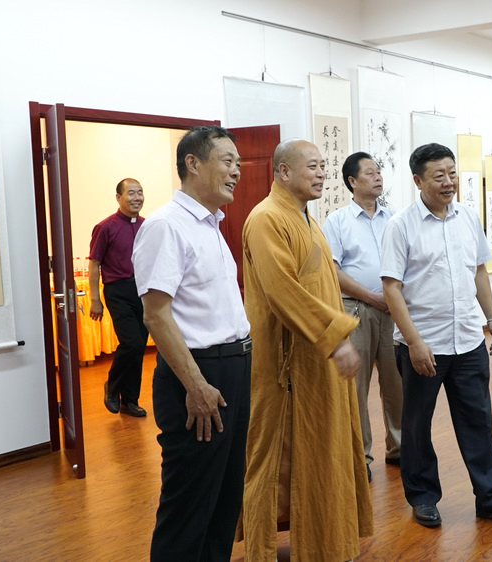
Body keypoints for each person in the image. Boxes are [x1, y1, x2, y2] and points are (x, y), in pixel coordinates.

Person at [381, 142, 492, 528]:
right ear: (418, 180)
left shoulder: (467, 216)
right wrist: (413, 341)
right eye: (438, 176)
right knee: (416, 426)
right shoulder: (401, 226)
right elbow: (392, 288)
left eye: (452, 173)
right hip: (424, 343)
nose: (449, 182)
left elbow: (479, 271)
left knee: (478, 421)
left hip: (467, 339)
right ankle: (423, 497)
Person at [241, 139, 373, 562]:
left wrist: (337, 341)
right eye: (312, 166)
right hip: (289, 362)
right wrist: (334, 338)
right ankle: (265, 550)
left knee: (323, 449)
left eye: (323, 167)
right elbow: (283, 291)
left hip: (320, 357)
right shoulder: (266, 219)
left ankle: (325, 541)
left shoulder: (306, 219)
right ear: (282, 172)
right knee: (276, 455)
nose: (321, 173)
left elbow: (324, 285)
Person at [133, 126, 252, 561]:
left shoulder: (210, 224)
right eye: (227, 161)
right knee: (188, 506)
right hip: (198, 375)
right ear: (193, 163)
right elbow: (156, 314)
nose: (237, 171)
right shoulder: (167, 226)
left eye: (238, 163)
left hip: (232, 370)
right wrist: (196, 386)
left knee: (223, 499)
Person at [322, 151, 403, 478]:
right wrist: (372, 296)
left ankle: (400, 449)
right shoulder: (337, 222)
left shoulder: (394, 218)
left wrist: (393, 299)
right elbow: (333, 271)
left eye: (379, 171)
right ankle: (360, 458)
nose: (378, 177)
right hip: (355, 310)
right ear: (352, 181)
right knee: (356, 389)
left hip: (393, 311)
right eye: (370, 173)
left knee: (396, 383)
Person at [88, 178, 149, 417]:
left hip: (143, 291)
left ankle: (129, 401)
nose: (137, 198)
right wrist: (95, 299)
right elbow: (94, 264)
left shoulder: (147, 225)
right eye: (131, 193)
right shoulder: (105, 227)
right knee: (131, 343)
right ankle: (112, 386)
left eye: (140, 193)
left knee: (139, 347)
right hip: (118, 291)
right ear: (119, 198)